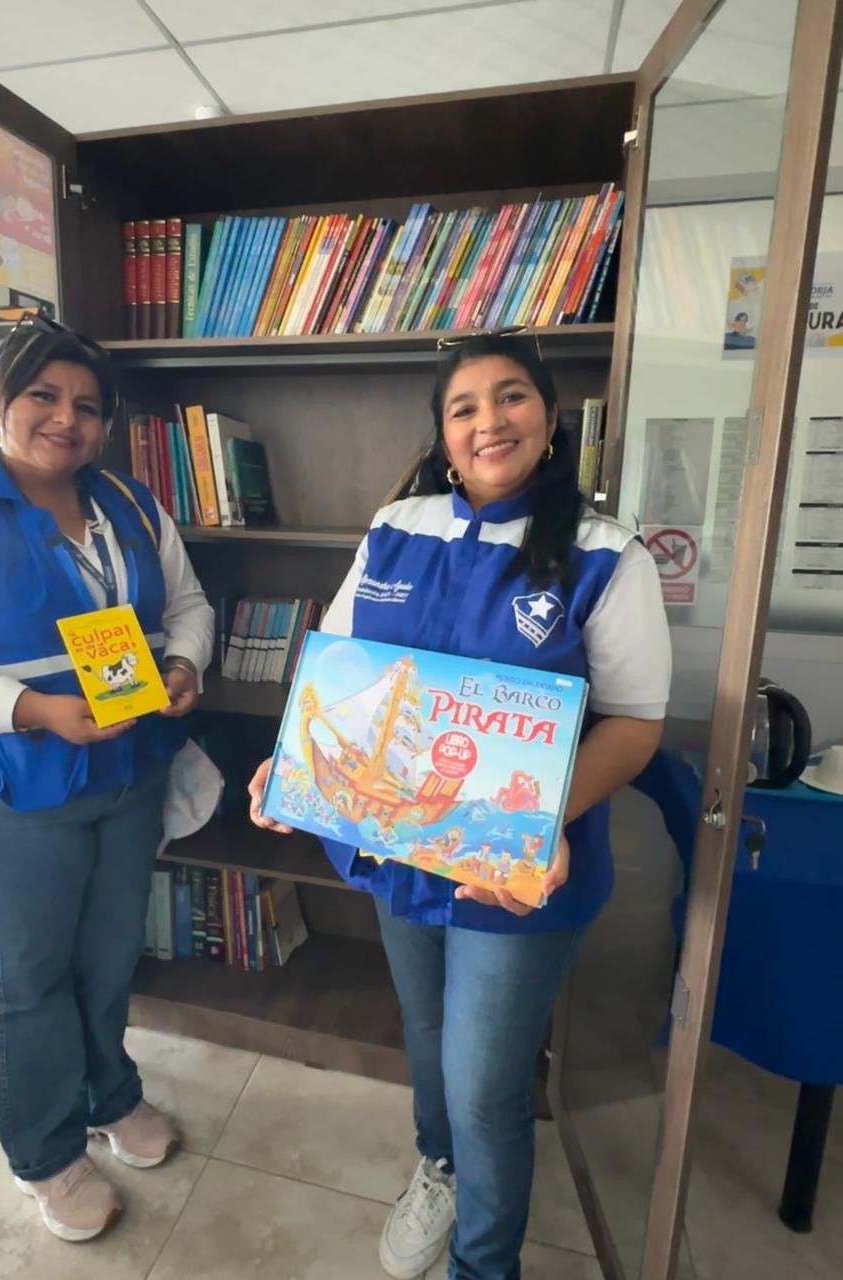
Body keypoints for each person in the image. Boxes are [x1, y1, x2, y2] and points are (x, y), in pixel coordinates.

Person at [248, 333, 671, 1280]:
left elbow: (637, 725)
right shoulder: (397, 525)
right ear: (443, 434)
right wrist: (292, 763)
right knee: (431, 1037)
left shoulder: (608, 556)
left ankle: (484, 1266)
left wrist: (544, 820)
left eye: (511, 397)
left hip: (513, 868)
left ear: (550, 418)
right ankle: (438, 1170)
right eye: (464, 407)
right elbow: (341, 671)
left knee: (485, 1087)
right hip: (399, 847)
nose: (490, 422)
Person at [0, 316, 214, 1242]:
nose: (66, 420)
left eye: (87, 406)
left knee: (108, 956)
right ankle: (43, 1149)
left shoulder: (132, 504)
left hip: (127, 775)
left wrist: (183, 664)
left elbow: (189, 605)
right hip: (11, 791)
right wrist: (33, 709)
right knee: (29, 978)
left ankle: (109, 1094)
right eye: (43, 396)